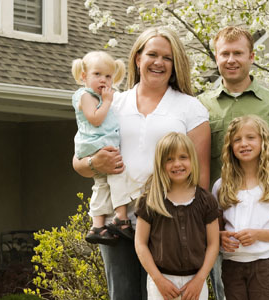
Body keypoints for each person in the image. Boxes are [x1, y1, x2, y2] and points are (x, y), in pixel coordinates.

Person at [72, 27, 211, 299]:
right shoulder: (111, 105)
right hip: (117, 216)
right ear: (138, 59)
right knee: (122, 293)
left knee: (164, 293)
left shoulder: (190, 108)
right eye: (152, 54)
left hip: (169, 216)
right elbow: (79, 162)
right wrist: (95, 161)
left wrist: (196, 227)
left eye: (167, 58)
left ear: (175, 64)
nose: (159, 62)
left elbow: (201, 176)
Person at [199, 25, 269, 300]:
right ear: (216, 57)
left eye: (238, 53)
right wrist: (213, 232)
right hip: (224, 238)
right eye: (224, 53)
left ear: (252, 56)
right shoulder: (200, 107)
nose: (231, 59)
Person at [214, 115, 269, 300]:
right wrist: (221, 237)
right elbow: (215, 230)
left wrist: (257, 235)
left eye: (250, 137)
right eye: (237, 139)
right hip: (231, 265)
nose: (244, 143)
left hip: (265, 266)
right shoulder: (221, 186)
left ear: (263, 142)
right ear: (230, 146)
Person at [134, 132, 220, 300]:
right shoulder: (150, 200)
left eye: (183, 157)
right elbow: (140, 243)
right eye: (169, 159)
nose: (177, 164)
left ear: (192, 160)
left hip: (196, 282)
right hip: (161, 282)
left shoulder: (206, 200)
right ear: (160, 164)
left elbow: (213, 243)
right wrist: (158, 280)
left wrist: (200, 279)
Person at [70, 51, 134, 244]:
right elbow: (96, 119)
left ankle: (98, 226)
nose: (103, 80)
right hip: (96, 145)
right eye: (97, 74)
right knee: (117, 174)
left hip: (99, 144)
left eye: (108, 76)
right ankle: (121, 218)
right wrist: (107, 101)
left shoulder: (102, 96)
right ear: (84, 76)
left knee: (103, 184)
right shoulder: (85, 95)